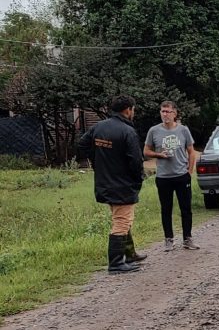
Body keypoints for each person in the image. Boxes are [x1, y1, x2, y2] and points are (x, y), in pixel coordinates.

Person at [78, 95, 145, 274]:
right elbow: (136, 161)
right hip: (122, 184)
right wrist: (138, 179)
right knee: (122, 222)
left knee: (122, 218)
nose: (133, 112)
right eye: (133, 109)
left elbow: (81, 146)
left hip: (104, 182)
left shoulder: (98, 127)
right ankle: (116, 263)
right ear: (128, 110)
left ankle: (130, 255)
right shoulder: (127, 131)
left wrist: (96, 162)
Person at [144, 101, 199, 251]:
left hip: (181, 175)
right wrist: (158, 154)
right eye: (163, 111)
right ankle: (168, 239)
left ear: (175, 113)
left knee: (186, 208)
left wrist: (190, 171)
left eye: (168, 111)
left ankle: (188, 238)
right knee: (166, 208)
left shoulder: (183, 130)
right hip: (163, 177)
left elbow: (191, 151)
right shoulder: (154, 131)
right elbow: (146, 151)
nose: (165, 114)